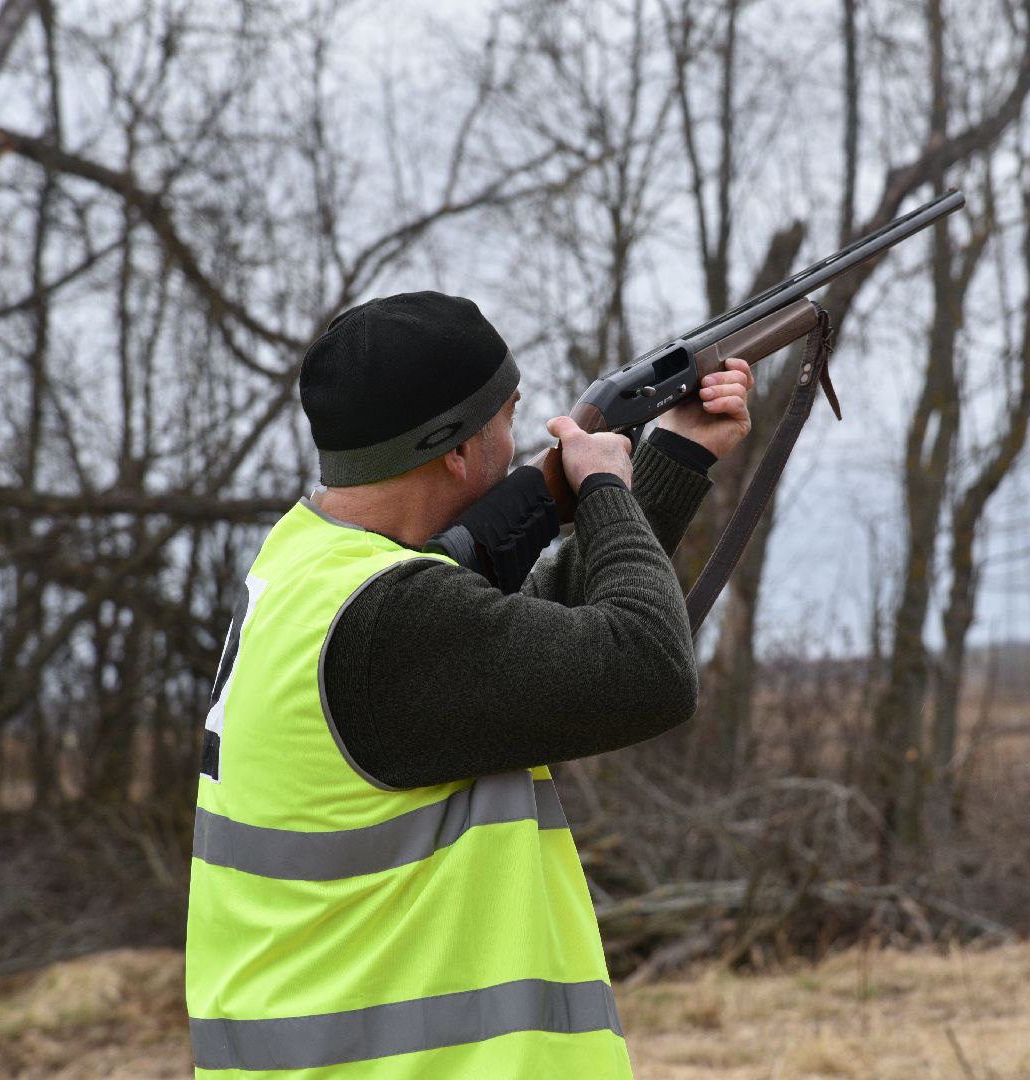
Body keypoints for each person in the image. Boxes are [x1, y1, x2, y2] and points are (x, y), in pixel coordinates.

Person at [184, 291, 754, 1078]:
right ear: (455, 452)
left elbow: (526, 649)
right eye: (508, 418)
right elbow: (646, 666)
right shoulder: (389, 618)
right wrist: (603, 490)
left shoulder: (308, 566)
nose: (520, 440)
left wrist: (675, 455)